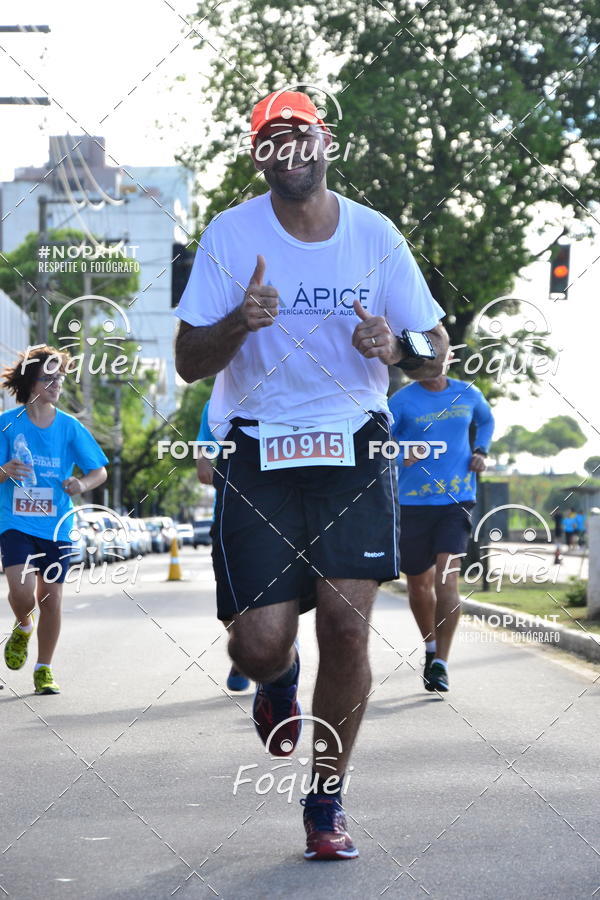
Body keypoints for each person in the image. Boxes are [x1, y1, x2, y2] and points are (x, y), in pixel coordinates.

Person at [174, 89, 448, 860]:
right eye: (273, 139)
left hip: (352, 450)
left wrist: (396, 351)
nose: (289, 149)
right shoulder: (230, 237)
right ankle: (275, 682)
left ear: (327, 142)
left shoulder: (374, 235)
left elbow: (437, 360)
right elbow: (189, 363)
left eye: (302, 135)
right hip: (257, 451)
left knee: (346, 627)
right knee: (257, 645)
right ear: (258, 154)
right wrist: (239, 321)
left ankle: (326, 803)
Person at [0, 346, 108, 694]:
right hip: (15, 519)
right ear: (32, 382)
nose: (57, 383)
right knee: (21, 590)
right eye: (49, 377)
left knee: (52, 599)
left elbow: (99, 472)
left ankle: (44, 669)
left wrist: (81, 483)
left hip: (57, 523)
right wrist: (4, 471)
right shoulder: (7, 424)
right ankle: (23, 625)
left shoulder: (70, 427)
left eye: (60, 377)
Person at [389, 371, 494, 692]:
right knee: (419, 588)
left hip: (456, 499)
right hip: (412, 504)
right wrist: (405, 449)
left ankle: (441, 664)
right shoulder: (402, 400)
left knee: (447, 578)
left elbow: (486, 421)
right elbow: (381, 442)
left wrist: (481, 451)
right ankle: (431, 647)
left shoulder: (468, 393)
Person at [195, 401, 250, 692]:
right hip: (229, 515)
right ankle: (243, 650)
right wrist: (204, 461)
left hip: (281, 513)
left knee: (280, 591)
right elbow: (204, 460)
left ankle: (281, 648)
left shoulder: (285, 392)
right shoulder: (218, 404)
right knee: (229, 601)